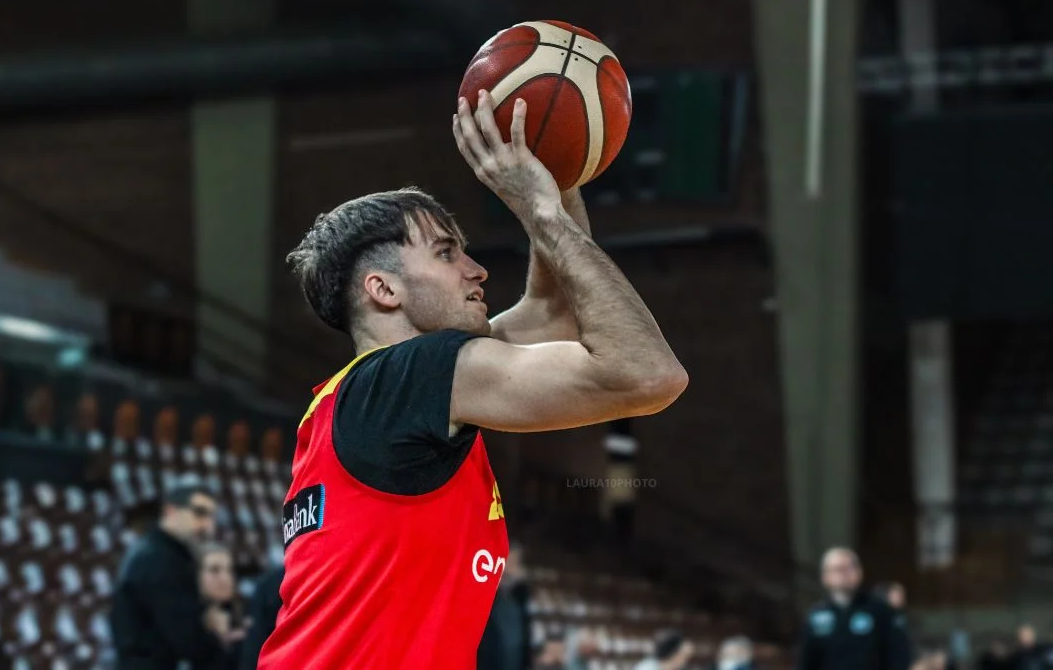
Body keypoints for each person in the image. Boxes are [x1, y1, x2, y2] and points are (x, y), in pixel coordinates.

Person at [257, 91, 688, 670]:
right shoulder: (412, 377)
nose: (477, 269)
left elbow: (554, 310)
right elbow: (648, 373)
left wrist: (558, 170)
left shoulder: (370, 393)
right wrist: (541, 214)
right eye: (446, 253)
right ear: (384, 290)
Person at [110, 483, 243, 670]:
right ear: (171, 511)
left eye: (211, 516)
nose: (207, 525)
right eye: (199, 513)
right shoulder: (158, 558)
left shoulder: (159, 552)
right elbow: (187, 637)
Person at [796, 547, 912, 670]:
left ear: (860, 572)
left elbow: (898, 654)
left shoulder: (879, 610)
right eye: (838, 569)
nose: (844, 574)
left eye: (850, 568)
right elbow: (806, 659)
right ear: (825, 577)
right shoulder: (817, 615)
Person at [478, 543, 533, 670]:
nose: (511, 567)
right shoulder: (487, 590)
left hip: (514, 660)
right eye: (509, 561)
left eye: (515, 562)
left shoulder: (521, 595)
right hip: (489, 660)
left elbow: (526, 631)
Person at [199, 543, 245, 670]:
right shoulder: (183, 625)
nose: (225, 578)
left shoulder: (249, 616)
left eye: (229, 570)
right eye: (214, 570)